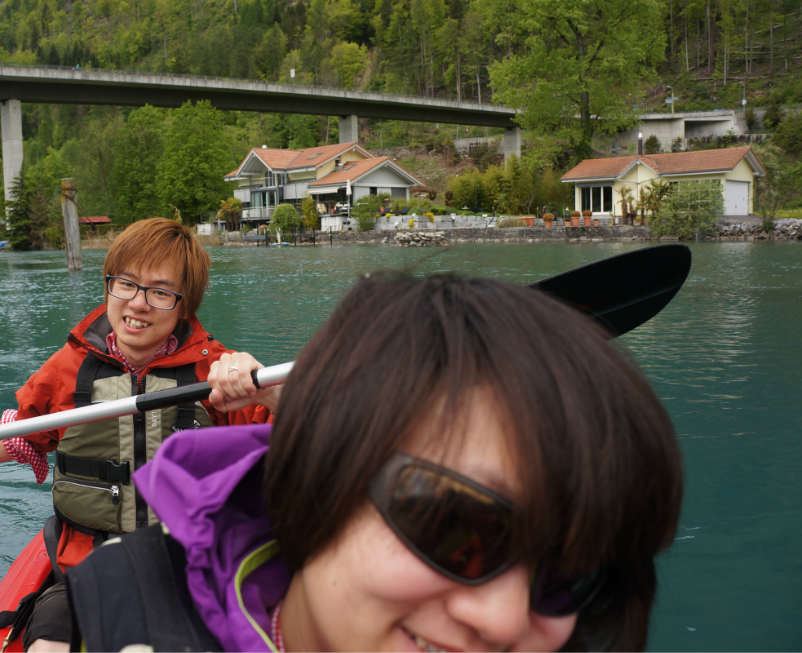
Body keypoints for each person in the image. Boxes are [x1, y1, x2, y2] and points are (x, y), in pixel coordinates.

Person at [66, 271, 683, 652]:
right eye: (448, 525)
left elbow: (277, 417)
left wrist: (263, 392)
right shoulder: (75, 364)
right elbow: (32, 419)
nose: (504, 621)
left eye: (568, 571)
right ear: (318, 482)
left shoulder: (216, 362)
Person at [0, 218, 279, 652]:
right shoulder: (69, 368)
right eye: (126, 284)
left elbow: (300, 438)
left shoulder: (217, 371)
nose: (138, 303)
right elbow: (18, 439)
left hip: (186, 566)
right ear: (109, 285)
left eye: (161, 292)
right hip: (83, 568)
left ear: (185, 306)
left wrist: (268, 390)